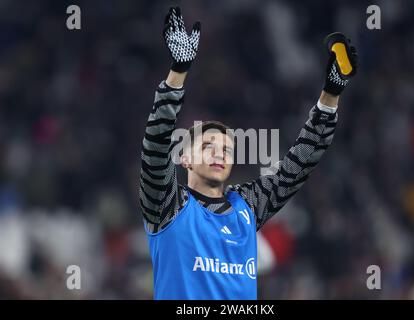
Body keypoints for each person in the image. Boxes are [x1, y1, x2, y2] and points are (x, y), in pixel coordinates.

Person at [139, 6, 358, 300]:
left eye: (227, 150)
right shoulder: (167, 206)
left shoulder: (246, 207)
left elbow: (297, 166)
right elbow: (155, 145)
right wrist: (178, 73)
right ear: (184, 158)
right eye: (208, 146)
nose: (220, 154)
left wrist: (330, 95)